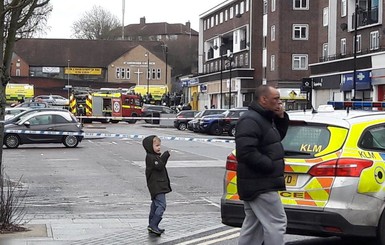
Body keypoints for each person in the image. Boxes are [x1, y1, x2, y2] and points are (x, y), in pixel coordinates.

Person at [235, 85, 289, 245]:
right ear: (263, 99)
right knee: (277, 222)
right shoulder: (250, 120)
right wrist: (269, 165)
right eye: (276, 99)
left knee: (254, 225)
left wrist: (280, 118)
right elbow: (245, 151)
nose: (279, 103)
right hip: (260, 182)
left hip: (258, 182)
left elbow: (275, 138)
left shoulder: (263, 118)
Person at [142, 135, 171, 236]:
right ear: (150, 146)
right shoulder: (151, 157)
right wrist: (166, 155)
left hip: (157, 185)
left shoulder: (153, 156)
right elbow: (159, 166)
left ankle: (152, 224)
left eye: (159, 145)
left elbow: (160, 165)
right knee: (161, 205)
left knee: (155, 205)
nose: (159, 147)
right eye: (157, 145)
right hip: (157, 186)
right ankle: (153, 224)